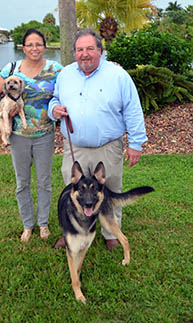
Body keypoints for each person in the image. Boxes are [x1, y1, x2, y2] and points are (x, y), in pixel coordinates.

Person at [48, 29, 148, 250]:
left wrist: (136, 143)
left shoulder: (118, 75)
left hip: (108, 147)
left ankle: (110, 232)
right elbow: (55, 98)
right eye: (80, 49)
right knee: (72, 193)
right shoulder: (65, 74)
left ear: (100, 51)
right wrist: (53, 108)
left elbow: (132, 109)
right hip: (75, 148)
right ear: (75, 52)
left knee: (110, 191)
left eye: (90, 49)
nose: (85, 54)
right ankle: (71, 232)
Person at [0, 28, 62, 242]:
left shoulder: (55, 69)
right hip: (18, 136)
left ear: (44, 46)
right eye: (30, 44)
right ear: (23, 48)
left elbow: (75, 81)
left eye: (38, 44)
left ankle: (43, 223)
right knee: (22, 182)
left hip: (45, 134)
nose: (34, 48)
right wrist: (2, 113)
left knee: (44, 182)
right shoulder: (11, 69)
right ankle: (27, 225)